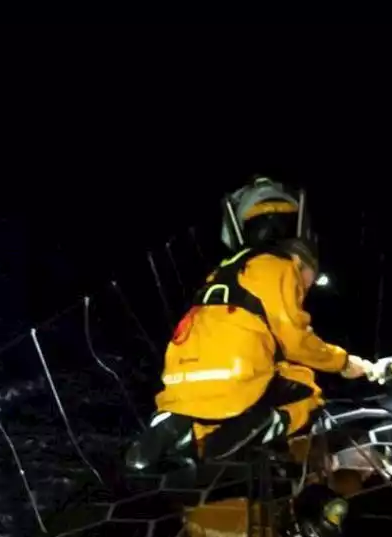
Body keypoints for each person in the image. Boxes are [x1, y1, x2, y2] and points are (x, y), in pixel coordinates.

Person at [127, 182, 372, 470]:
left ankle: (172, 422)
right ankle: (249, 430)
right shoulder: (282, 267)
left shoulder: (223, 272)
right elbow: (296, 341)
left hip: (180, 382)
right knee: (308, 392)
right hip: (234, 374)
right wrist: (343, 362)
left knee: (214, 402)